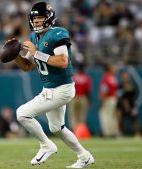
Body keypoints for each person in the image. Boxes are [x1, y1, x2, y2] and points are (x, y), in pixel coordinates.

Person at [10, 2, 94, 168]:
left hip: (62, 88)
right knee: (57, 128)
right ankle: (84, 156)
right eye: (34, 18)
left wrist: (36, 52)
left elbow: (63, 61)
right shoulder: (35, 37)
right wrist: (14, 55)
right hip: (50, 89)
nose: (36, 22)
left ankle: (46, 145)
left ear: (48, 18)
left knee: (22, 114)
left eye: (40, 18)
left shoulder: (58, 33)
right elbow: (27, 66)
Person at [116, 70, 141, 137]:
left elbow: (133, 94)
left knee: (134, 119)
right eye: (123, 76)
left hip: (131, 104)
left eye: (126, 76)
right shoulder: (120, 86)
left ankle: (137, 133)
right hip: (121, 105)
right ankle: (120, 133)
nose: (125, 78)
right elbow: (119, 96)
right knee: (119, 118)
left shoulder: (131, 85)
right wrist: (124, 103)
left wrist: (128, 104)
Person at [68, 64, 92, 132]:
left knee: (73, 115)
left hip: (74, 97)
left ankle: (74, 130)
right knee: (82, 116)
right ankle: (80, 131)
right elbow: (88, 91)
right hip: (83, 98)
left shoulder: (74, 77)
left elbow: (69, 88)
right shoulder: (86, 77)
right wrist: (90, 100)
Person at [99, 63, 120, 137]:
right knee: (112, 116)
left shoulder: (106, 78)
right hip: (114, 98)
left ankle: (107, 133)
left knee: (104, 115)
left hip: (108, 99)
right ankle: (114, 132)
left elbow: (105, 91)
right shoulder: (113, 78)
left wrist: (102, 101)